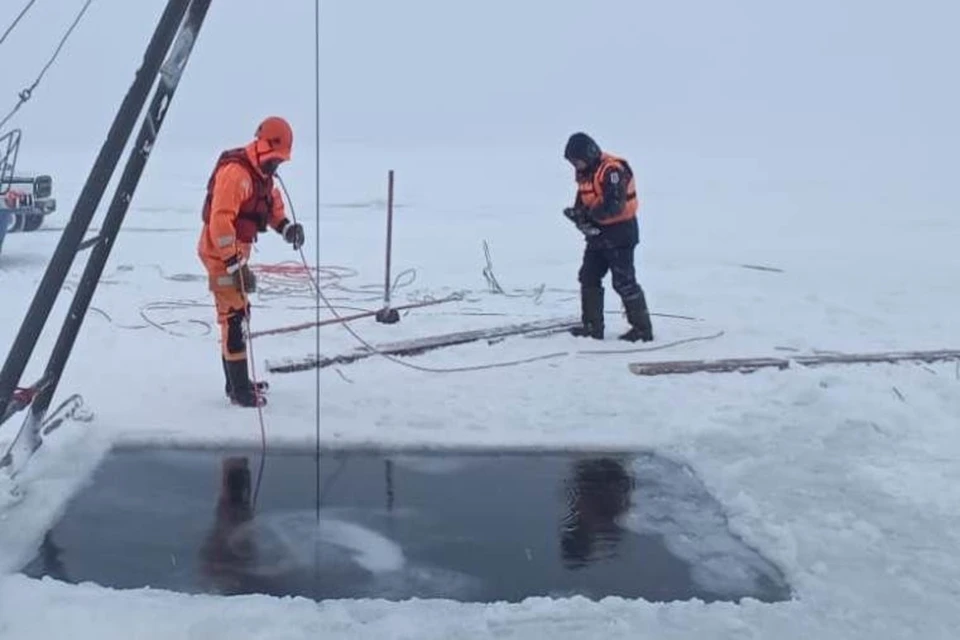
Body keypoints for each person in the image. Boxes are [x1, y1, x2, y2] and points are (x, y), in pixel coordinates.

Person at [197, 116, 305, 407]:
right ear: (261, 145)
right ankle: (240, 392)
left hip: (234, 255)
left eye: (280, 162)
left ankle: (237, 383)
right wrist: (234, 265)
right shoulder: (236, 174)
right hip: (219, 255)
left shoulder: (262, 177)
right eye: (274, 160)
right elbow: (220, 223)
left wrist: (287, 228)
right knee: (235, 319)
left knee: (237, 314)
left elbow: (272, 208)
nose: (276, 166)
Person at [562, 132, 653, 342]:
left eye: (577, 161)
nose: (576, 166)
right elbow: (583, 200)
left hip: (620, 233)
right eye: (573, 163)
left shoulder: (612, 170)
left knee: (623, 281)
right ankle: (592, 326)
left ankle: (642, 329)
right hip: (598, 235)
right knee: (588, 276)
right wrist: (577, 215)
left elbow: (614, 205)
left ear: (590, 153)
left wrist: (589, 216)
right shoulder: (586, 173)